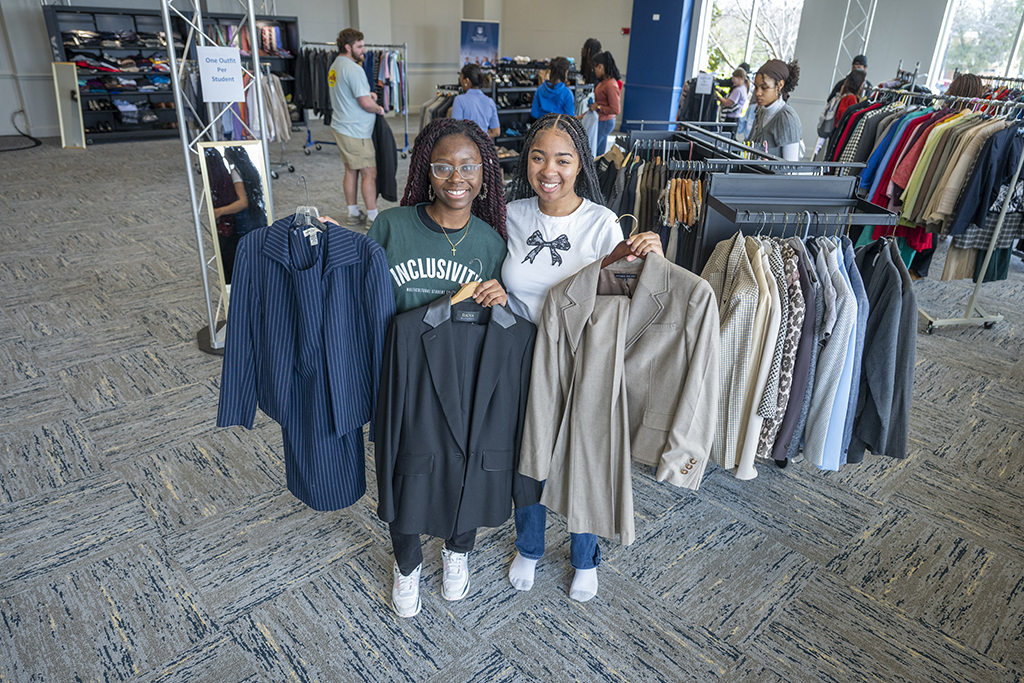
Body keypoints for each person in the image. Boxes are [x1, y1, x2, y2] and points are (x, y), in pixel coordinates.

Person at [471, 114, 663, 603]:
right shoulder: (510, 215)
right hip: (518, 354)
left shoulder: (600, 223)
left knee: (584, 453)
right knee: (527, 460)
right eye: (538, 157)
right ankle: (529, 546)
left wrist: (651, 254)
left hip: (580, 359)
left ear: (581, 164)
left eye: (562, 158)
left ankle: (584, 556)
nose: (548, 169)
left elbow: (630, 290)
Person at [366, 118, 510, 618]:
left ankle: (457, 551)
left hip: (462, 383)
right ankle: (406, 564)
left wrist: (498, 298)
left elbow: (492, 323)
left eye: (468, 167)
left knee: (464, 467)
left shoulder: (491, 243)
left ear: (484, 174)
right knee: (404, 474)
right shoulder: (391, 227)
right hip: (404, 380)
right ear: (427, 172)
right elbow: (366, 310)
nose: (456, 178)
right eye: (444, 166)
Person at [329, 28, 386, 228]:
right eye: (359, 46)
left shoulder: (336, 66)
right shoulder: (354, 69)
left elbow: (349, 94)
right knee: (369, 173)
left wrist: (367, 96)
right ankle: (372, 218)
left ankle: (352, 213)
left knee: (351, 170)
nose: (364, 50)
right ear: (348, 47)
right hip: (356, 132)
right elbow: (364, 103)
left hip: (341, 126)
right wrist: (378, 108)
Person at [749, 58, 803, 162]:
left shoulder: (787, 118)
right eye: (756, 87)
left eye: (764, 87)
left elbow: (789, 169)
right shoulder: (761, 112)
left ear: (780, 85)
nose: (758, 93)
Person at [221, 145, 268, 240]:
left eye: (225, 154)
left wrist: (219, 211)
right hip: (258, 214)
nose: (224, 157)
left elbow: (243, 202)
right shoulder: (250, 169)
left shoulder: (236, 172)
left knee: (248, 246)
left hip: (245, 218)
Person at [452, 64, 500, 138]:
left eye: (461, 77)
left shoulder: (460, 100)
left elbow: (455, 130)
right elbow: (496, 132)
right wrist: (480, 136)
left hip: (466, 146)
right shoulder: (490, 101)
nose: (460, 80)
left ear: (466, 80)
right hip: (484, 147)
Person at [588, 51, 622, 156]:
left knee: (591, 151)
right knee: (598, 153)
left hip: (605, 122)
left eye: (595, 68)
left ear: (600, 66)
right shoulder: (604, 82)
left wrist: (598, 107)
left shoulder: (611, 85)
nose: (594, 71)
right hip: (602, 121)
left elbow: (616, 109)